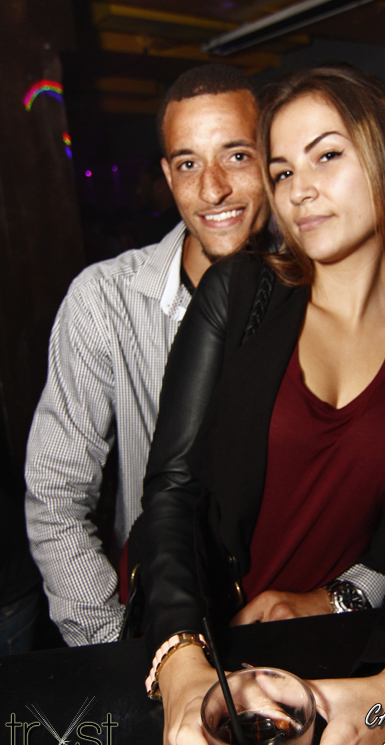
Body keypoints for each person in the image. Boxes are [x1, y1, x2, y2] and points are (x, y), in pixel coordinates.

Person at [138, 64, 385, 745]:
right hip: (218, 644)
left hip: (347, 658)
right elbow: (171, 491)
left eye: (326, 154)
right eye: (281, 170)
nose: (298, 189)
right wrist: (181, 664)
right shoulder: (240, 294)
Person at [24, 63, 270, 647]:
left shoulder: (323, 292)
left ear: (273, 160)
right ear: (166, 175)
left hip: (292, 629)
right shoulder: (104, 300)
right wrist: (124, 650)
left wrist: (341, 598)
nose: (212, 189)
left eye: (237, 155)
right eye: (188, 163)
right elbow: (56, 498)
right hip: (158, 628)